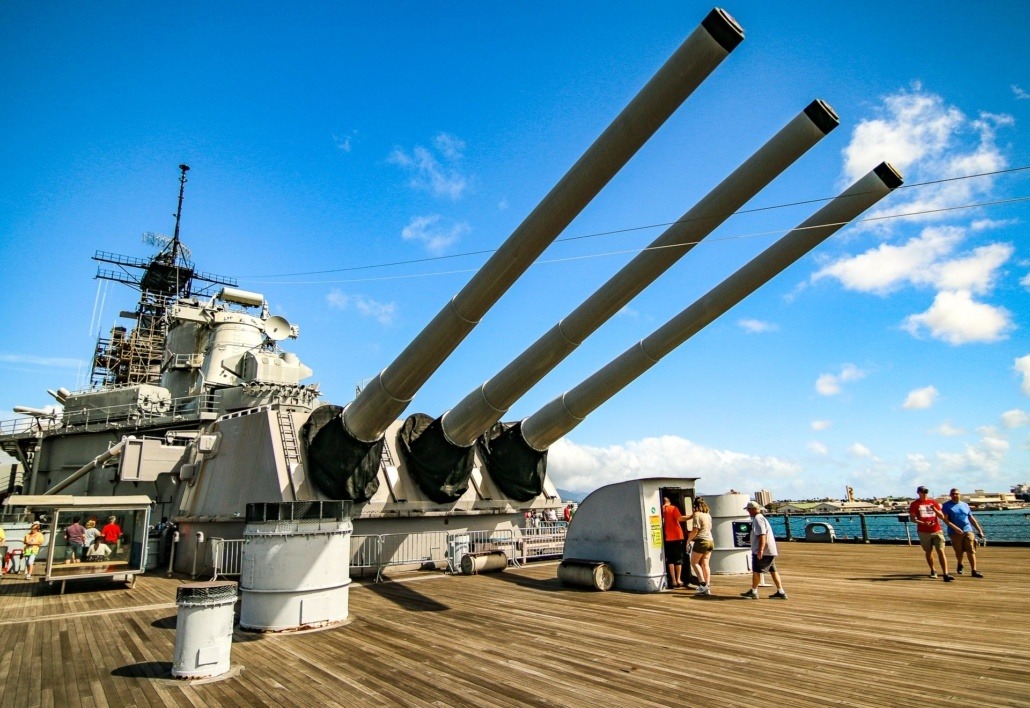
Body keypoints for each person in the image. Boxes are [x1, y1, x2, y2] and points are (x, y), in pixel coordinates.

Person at [909, 486, 963, 581]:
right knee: (928, 551)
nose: (925, 493)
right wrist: (923, 523)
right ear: (918, 493)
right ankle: (933, 570)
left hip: (937, 530)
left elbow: (942, 517)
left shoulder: (933, 503)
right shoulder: (914, 504)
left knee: (941, 551)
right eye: (923, 492)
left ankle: (945, 573)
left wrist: (935, 509)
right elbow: (913, 519)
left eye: (926, 491)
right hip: (923, 531)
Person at [740, 501, 787, 599]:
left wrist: (760, 550)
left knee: (756, 570)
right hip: (770, 550)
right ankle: (781, 591)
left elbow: (762, 535)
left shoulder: (758, 519)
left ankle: (753, 591)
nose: (748, 511)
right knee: (773, 570)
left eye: (748, 509)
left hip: (763, 551)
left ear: (753, 509)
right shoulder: (762, 518)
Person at [941, 489, 986, 578]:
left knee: (971, 550)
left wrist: (979, 530)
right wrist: (955, 528)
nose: (955, 495)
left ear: (960, 495)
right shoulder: (946, 506)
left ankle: (974, 570)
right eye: (953, 494)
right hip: (954, 532)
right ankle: (960, 564)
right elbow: (945, 520)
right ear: (950, 495)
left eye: (956, 494)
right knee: (959, 551)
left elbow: (971, 518)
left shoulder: (965, 505)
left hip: (968, 530)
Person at [687, 498, 714, 596]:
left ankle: (702, 584)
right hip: (710, 541)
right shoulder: (708, 515)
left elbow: (695, 530)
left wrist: (688, 541)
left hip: (701, 541)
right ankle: (707, 586)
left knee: (694, 562)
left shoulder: (697, 515)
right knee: (705, 563)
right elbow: (710, 528)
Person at [662, 496, 689, 589]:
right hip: (677, 536)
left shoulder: (661, 509)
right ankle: (678, 579)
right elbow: (680, 518)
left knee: (670, 560)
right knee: (678, 559)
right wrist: (692, 516)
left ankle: (673, 580)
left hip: (667, 537)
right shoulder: (673, 508)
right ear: (669, 501)